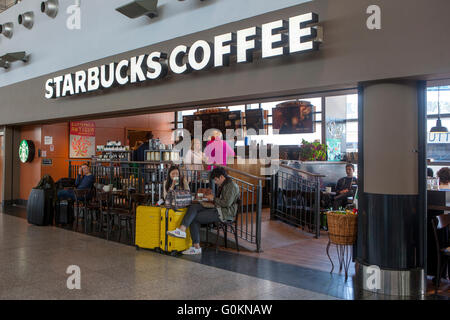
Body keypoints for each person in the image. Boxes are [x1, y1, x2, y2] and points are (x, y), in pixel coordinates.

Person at [167, 167, 240, 255]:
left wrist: (213, 198)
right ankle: (182, 229)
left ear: (221, 177)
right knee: (194, 207)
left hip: (224, 213)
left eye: (216, 180)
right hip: (218, 208)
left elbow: (226, 203)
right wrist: (211, 199)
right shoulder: (225, 185)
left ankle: (196, 247)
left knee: (194, 218)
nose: (216, 182)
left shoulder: (231, 186)